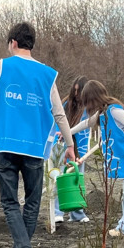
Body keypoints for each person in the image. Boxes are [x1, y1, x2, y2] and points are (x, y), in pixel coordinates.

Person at [0, 22, 77, 248]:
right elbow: (59, 114)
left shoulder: (1, 67)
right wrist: (70, 145)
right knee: (32, 201)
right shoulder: (46, 74)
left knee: (10, 201)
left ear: (13, 43)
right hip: (34, 148)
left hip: (6, 145)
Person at [76, 80, 124, 238]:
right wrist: (67, 132)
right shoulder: (103, 113)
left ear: (93, 98)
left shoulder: (114, 110)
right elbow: (86, 124)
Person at [51, 76, 90, 225]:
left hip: (80, 147)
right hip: (61, 146)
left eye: (79, 91)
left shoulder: (88, 109)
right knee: (60, 178)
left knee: (77, 179)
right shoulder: (66, 105)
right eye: (75, 91)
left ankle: (77, 213)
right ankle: (57, 212)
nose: (76, 94)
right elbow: (58, 122)